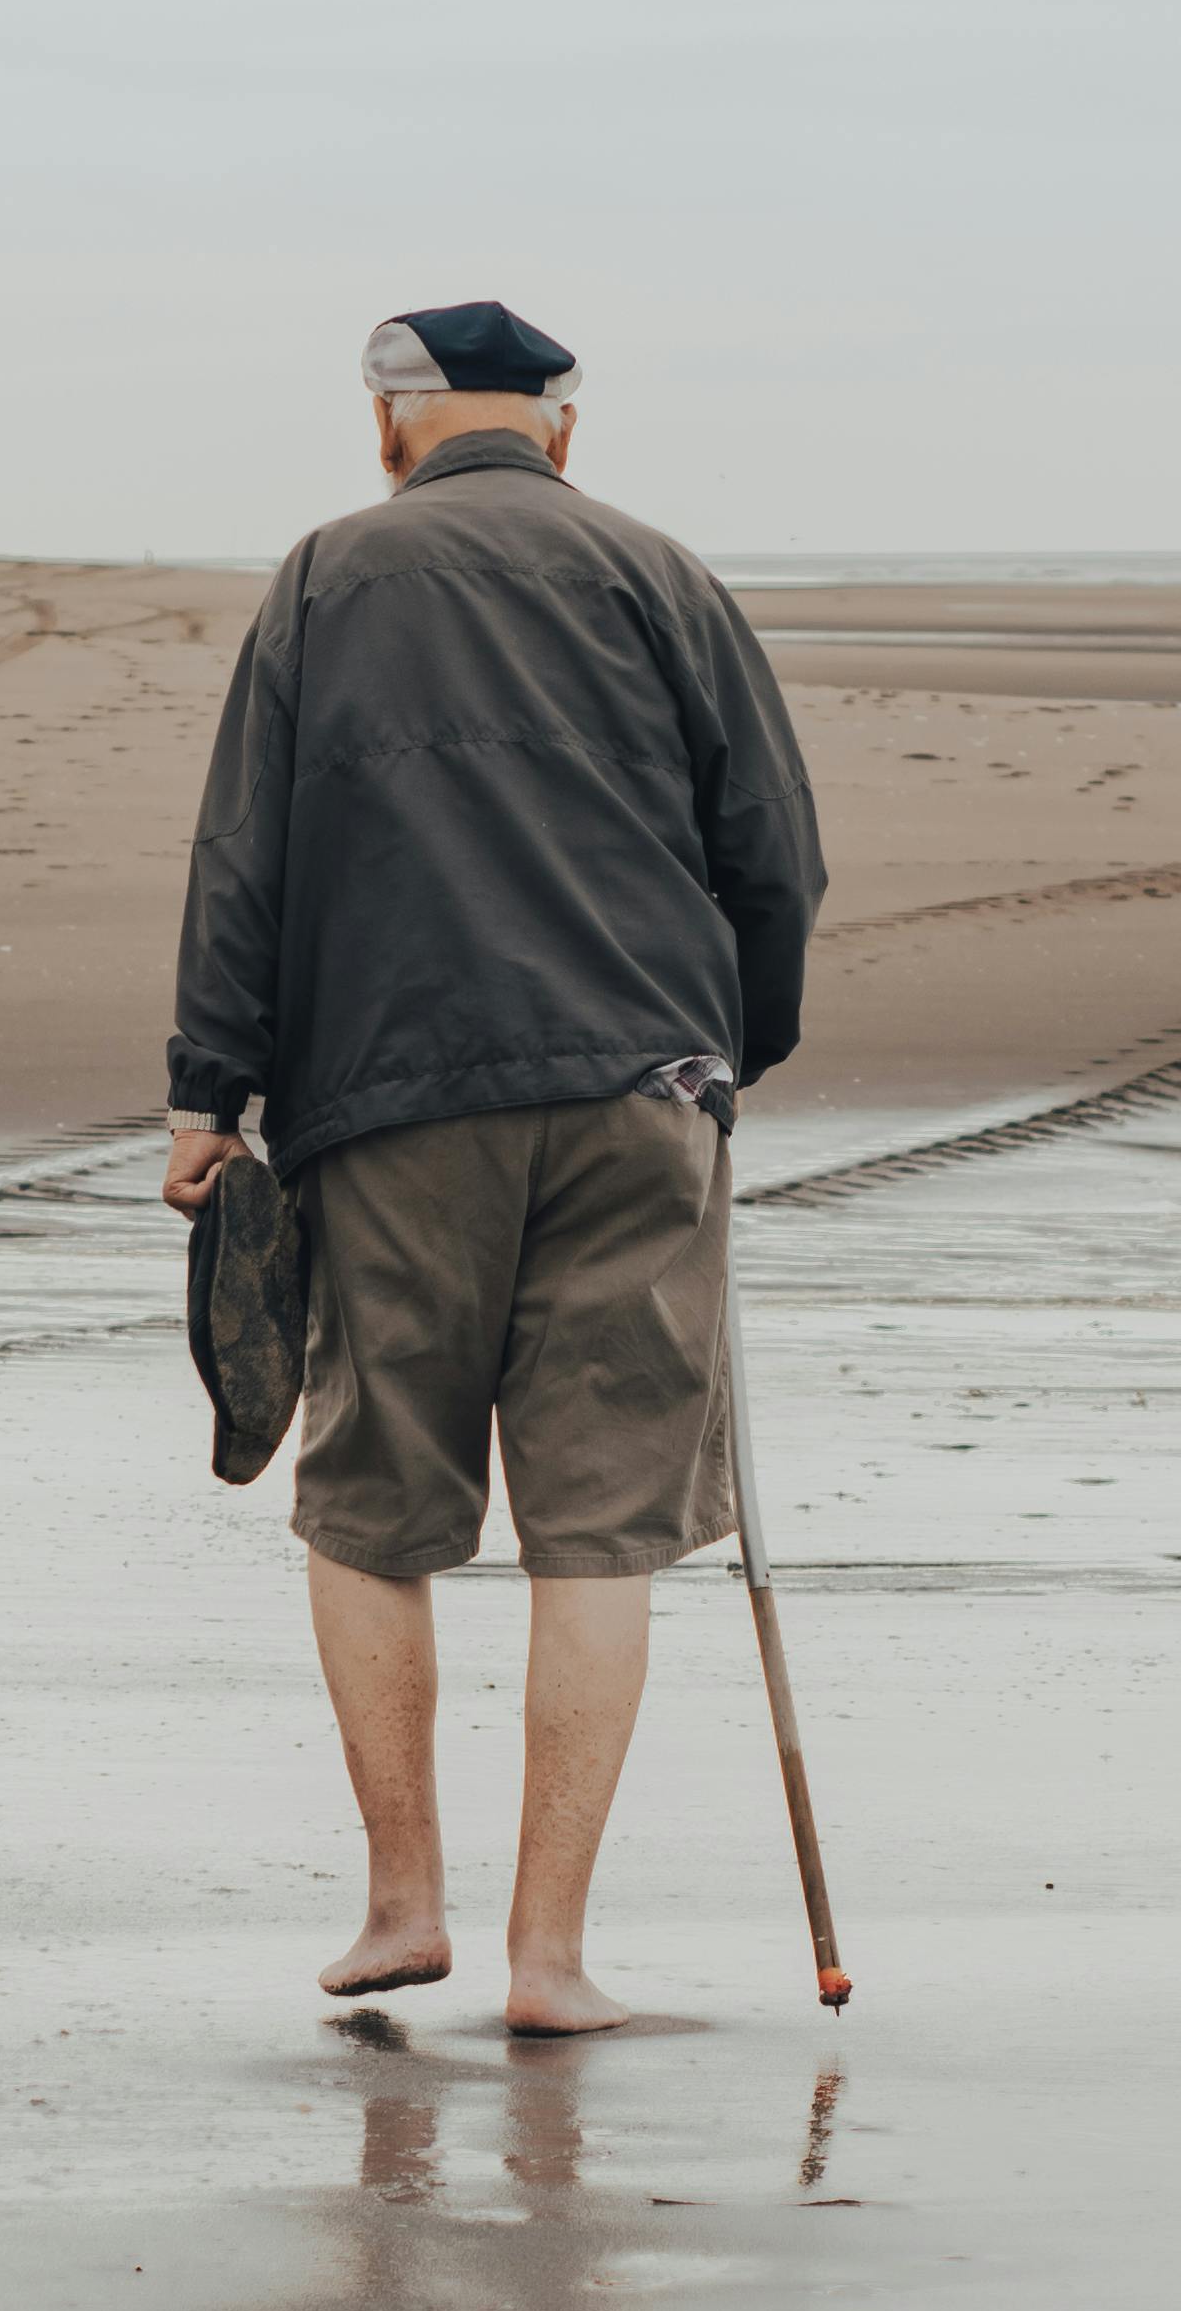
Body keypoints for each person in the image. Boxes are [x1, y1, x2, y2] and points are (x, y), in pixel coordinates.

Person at [163, 300, 825, 2025]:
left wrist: (206, 1090)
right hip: (639, 1089)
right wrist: (728, 1054)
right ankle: (549, 1960)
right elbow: (775, 853)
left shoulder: (325, 577)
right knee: (600, 1525)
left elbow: (245, 852)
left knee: (373, 1498)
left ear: (391, 423)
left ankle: (402, 1902)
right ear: (562, 428)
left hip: (393, 1103)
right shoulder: (661, 574)